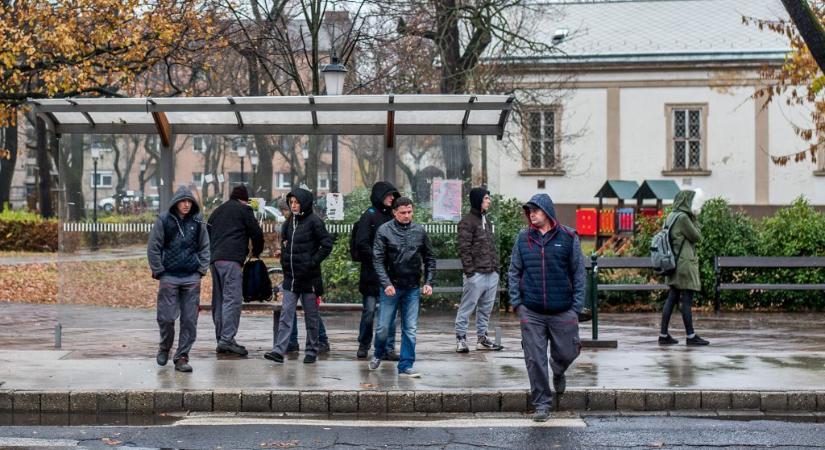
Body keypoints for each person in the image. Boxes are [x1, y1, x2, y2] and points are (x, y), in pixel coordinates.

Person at [508, 193, 585, 422]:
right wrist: (517, 303)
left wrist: (576, 307)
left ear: (548, 212)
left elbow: (578, 273)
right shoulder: (523, 238)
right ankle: (542, 403)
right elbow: (514, 271)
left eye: (536, 210)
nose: (531, 214)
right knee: (534, 358)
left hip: (563, 309)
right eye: (529, 211)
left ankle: (559, 369)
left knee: (568, 351)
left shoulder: (569, 237)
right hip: (531, 311)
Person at [369, 197, 436, 378]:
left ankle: (406, 365)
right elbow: (378, 260)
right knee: (383, 327)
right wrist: (386, 283)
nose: (407, 216)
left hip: (412, 287)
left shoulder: (419, 231)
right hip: (391, 286)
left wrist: (428, 282)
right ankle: (378, 352)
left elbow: (429, 258)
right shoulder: (384, 231)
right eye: (403, 213)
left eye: (410, 212)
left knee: (410, 328)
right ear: (395, 212)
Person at [265, 187, 333, 364]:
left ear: (304, 203)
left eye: (296, 202)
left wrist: (312, 262)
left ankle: (311, 350)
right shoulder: (289, 223)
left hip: (309, 278)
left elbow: (326, 244)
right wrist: (285, 257)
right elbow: (286, 244)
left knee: (311, 317)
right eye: (291, 202)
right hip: (291, 278)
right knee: (286, 315)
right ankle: (279, 350)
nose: (293, 206)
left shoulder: (314, 222)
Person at [147, 186, 210, 373]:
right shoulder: (164, 220)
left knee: (189, 320)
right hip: (169, 276)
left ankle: (182, 356)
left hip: (191, 277)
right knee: (166, 318)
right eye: (183, 201)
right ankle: (164, 347)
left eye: (190, 202)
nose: (187, 205)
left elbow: (205, 247)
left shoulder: (198, 222)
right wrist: (159, 270)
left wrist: (201, 270)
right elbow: (154, 247)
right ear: (176, 203)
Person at [207, 185, 264, 357]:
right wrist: (256, 252)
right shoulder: (244, 210)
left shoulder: (218, 211)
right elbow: (257, 234)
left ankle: (221, 339)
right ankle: (227, 340)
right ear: (245, 199)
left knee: (219, 301)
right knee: (232, 300)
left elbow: (207, 233)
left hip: (215, 261)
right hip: (231, 261)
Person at [354, 182, 401, 359]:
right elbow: (361, 242)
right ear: (380, 196)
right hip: (371, 273)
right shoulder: (369, 216)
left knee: (390, 313)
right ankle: (364, 344)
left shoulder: (393, 215)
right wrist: (377, 257)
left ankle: (388, 348)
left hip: (390, 274)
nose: (392, 198)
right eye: (389, 195)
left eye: (393, 195)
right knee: (369, 312)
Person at [455, 187, 503, 353]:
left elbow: (490, 246)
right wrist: (470, 273)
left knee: (486, 309)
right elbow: (464, 248)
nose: (489, 201)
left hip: (491, 273)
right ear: (478, 200)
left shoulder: (486, 221)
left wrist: (495, 269)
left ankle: (482, 338)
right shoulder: (467, 222)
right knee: (467, 307)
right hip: (476, 274)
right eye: (486, 198)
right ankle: (461, 338)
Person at [659, 189, 709, 346]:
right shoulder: (683, 218)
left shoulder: (671, 216)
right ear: (687, 201)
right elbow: (697, 237)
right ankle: (691, 336)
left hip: (674, 263)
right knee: (686, 300)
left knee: (672, 298)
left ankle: (663, 334)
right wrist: (694, 218)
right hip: (684, 265)